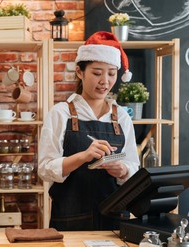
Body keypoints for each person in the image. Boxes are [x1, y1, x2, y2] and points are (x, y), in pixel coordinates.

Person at [38, 31, 140, 231]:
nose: (105, 81)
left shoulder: (121, 116)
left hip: (115, 222)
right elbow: (45, 169)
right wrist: (83, 157)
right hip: (70, 219)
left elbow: (134, 167)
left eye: (111, 73)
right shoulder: (61, 113)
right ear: (79, 72)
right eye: (96, 73)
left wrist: (123, 170)